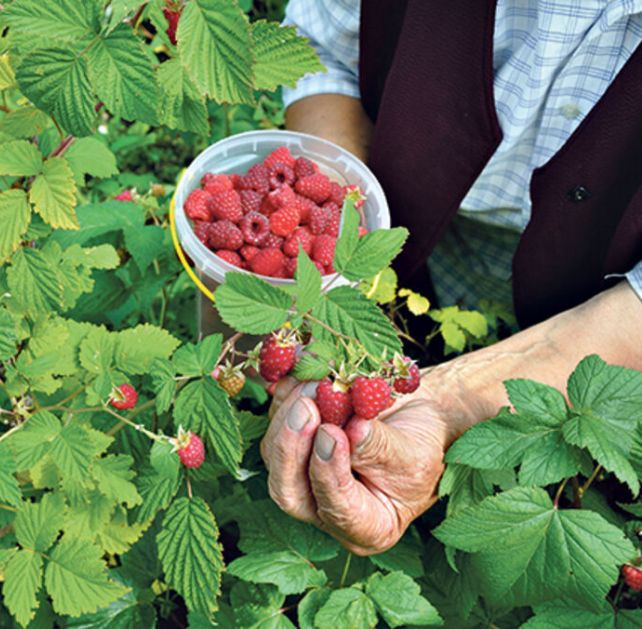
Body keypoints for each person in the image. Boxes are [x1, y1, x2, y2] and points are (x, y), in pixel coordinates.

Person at [261, 0, 642, 555]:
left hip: (606, 307)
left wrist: (454, 400)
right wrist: (331, 266)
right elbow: (320, 49)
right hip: (411, 238)